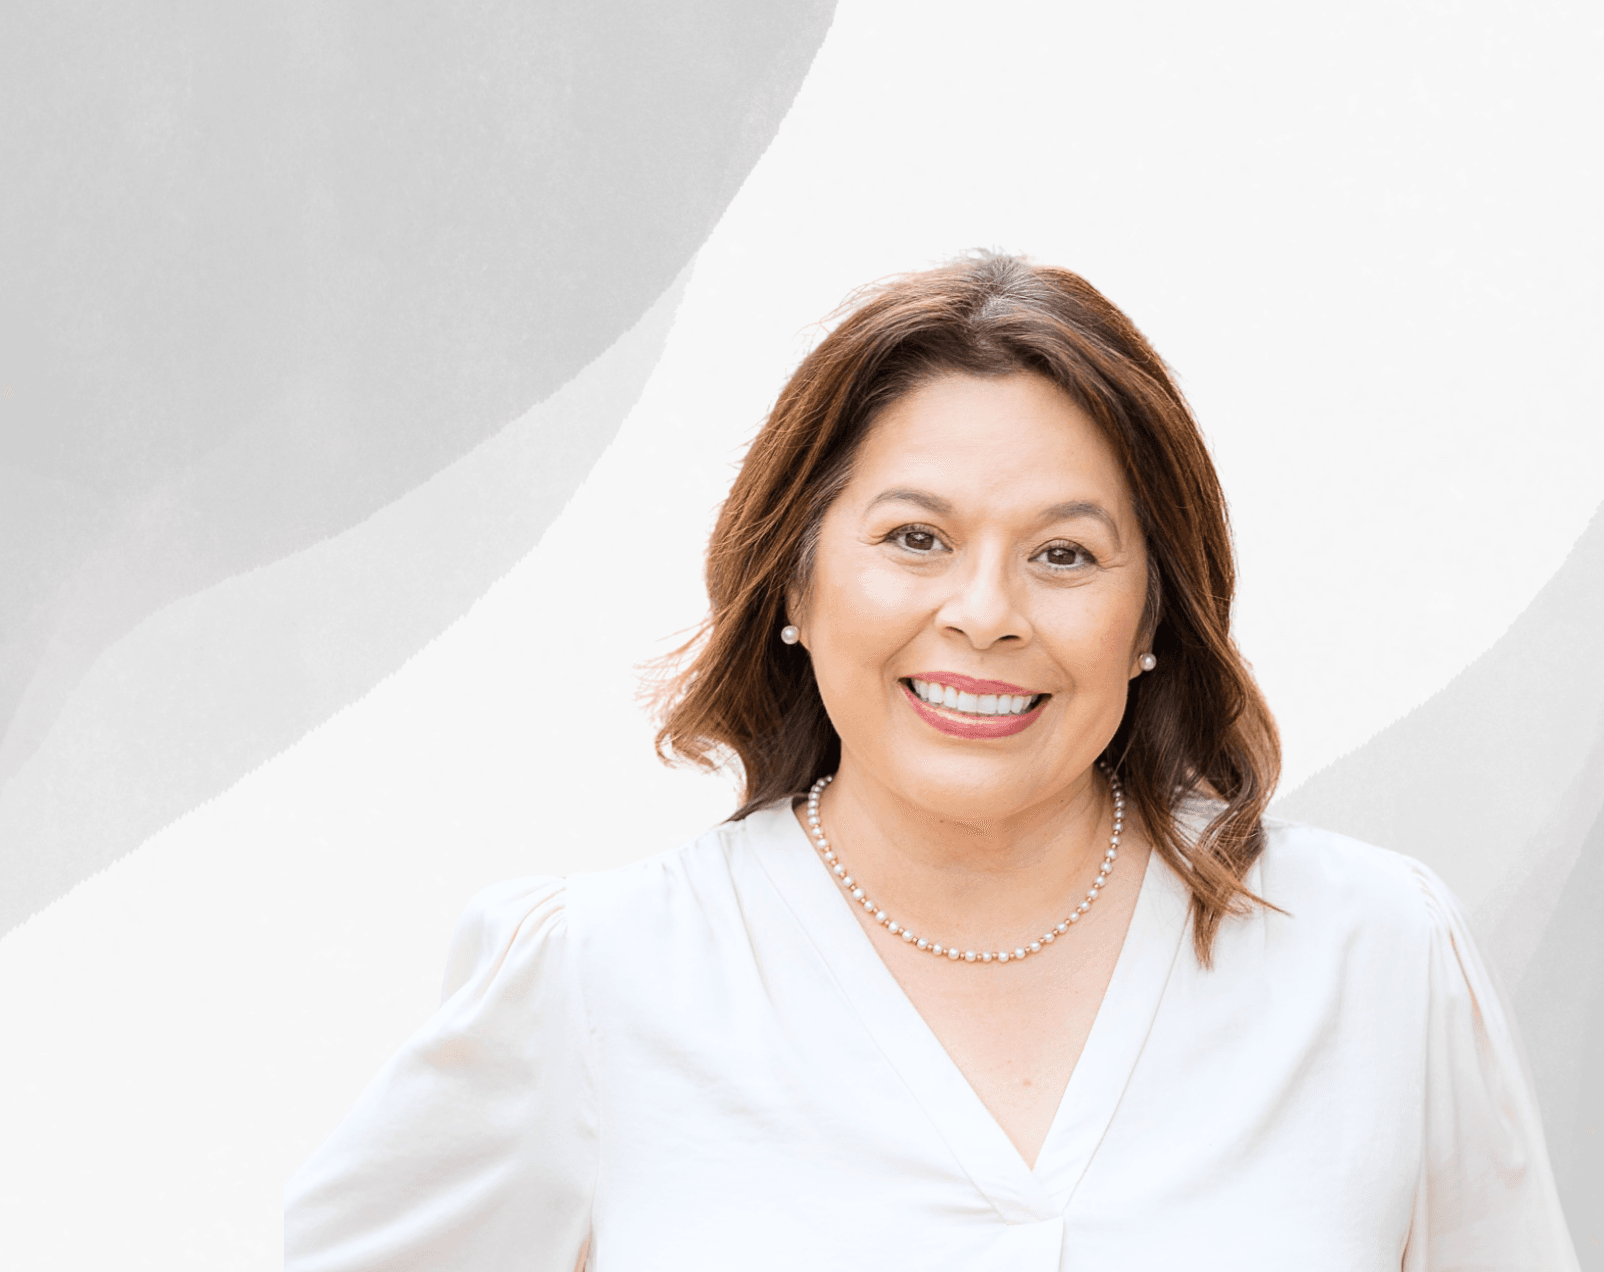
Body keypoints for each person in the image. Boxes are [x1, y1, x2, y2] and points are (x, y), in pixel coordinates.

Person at [284, 253, 1578, 1270]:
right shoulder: (597, 977)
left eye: (1065, 553)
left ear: (1153, 616)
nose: (985, 610)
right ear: (793, 576)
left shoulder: (1372, 953)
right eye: (914, 537)